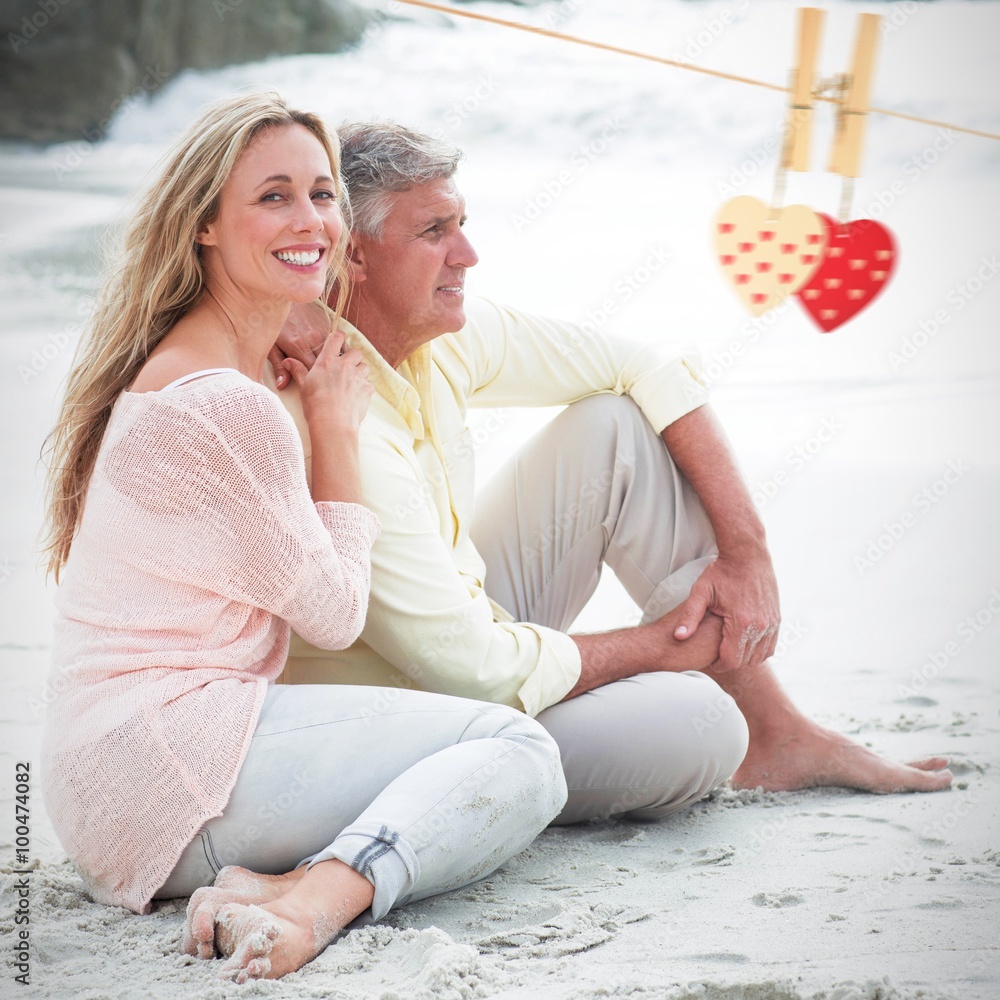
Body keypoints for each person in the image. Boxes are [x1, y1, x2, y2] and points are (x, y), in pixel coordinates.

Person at [269, 121, 952, 824]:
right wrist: (667, 648)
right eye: (435, 231)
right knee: (702, 728)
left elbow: (645, 366)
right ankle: (538, 778)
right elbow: (470, 669)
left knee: (615, 426)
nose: (469, 254)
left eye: (463, 222)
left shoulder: (431, 337)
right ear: (352, 255)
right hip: (414, 721)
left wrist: (750, 553)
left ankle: (781, 735)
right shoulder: (330, 403)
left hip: (464, 636)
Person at [38, 95, 567, 984]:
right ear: (204, 224)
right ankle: (314, 903)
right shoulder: (228, 402)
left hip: (123, 783)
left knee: (491, 750)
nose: (312, 221)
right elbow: (333, 613)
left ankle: (269, 879)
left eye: (323, 195)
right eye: (274, 197)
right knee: (521, 753)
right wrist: (335, 425)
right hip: (169, 778)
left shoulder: (187, 366)